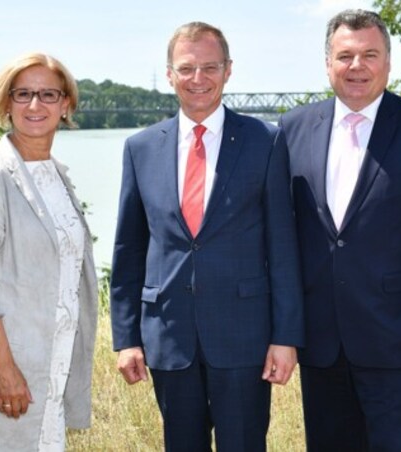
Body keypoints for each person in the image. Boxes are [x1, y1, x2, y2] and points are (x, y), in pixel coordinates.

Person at [278, 9, 401, 451]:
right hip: (321, 343)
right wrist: (282, 331)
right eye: (345, 55)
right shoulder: (293, 128)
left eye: (370, 54)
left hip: (398, 339)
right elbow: (282, 237)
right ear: (328, 63)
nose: (357, 66)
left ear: (388, 61)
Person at [109, 22, 304, 451]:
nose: (199, 79)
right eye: (187, 68)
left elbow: (283, 247)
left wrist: (285, 336)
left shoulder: (265, 141)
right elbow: (128, 251)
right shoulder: (140, 148)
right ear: (169, 74)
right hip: (168, 337)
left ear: (228, 70)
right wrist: (127, 339)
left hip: (244, 336)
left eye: (210, 67)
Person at [0, 53, 98, 452]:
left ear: (65, 104)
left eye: (48, 94)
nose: (36, 105)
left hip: (52, 364)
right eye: (23, 94)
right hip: (12, 367)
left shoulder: (56, 174)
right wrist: (4, 367)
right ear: (6, 104)